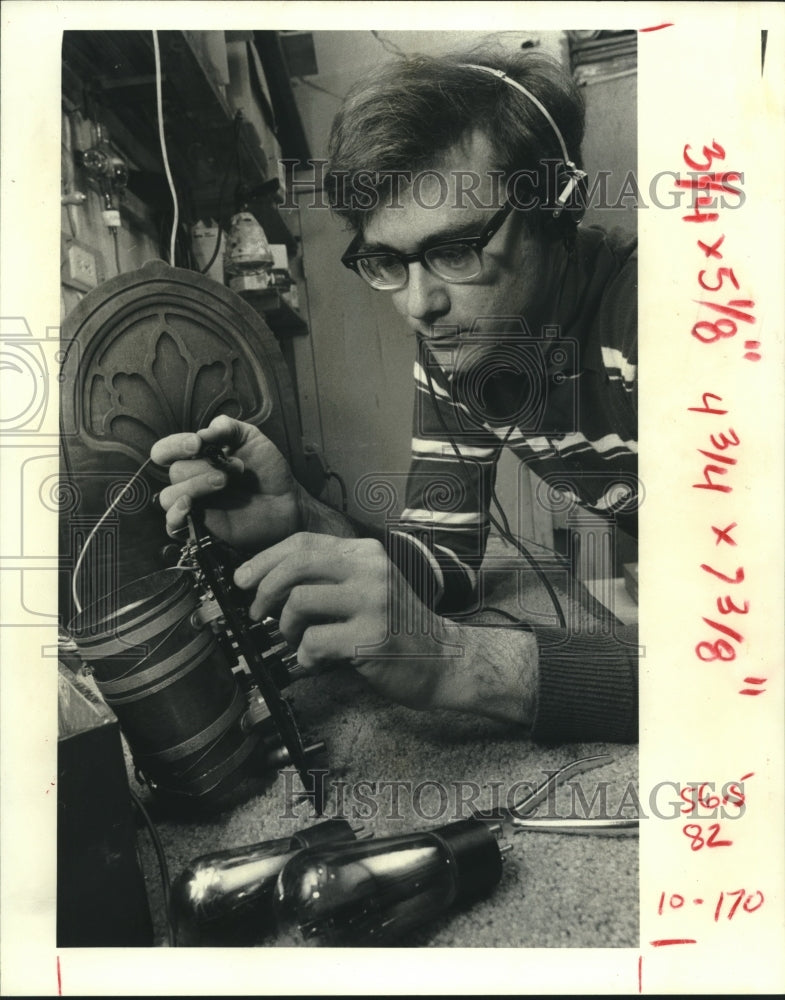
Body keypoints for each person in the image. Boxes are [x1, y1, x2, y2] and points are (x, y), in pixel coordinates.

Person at [151, 50, 638, 744]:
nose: (419, 304)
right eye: (387, 262)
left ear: (555, 209)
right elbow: (443, 561)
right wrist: (304, 519)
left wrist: (459, 662)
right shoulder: (463, 346)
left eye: (456, 250)